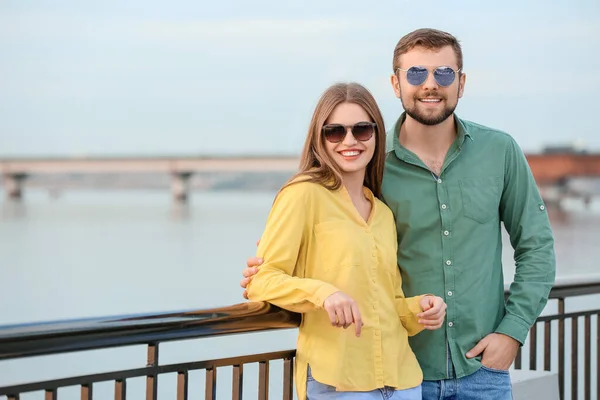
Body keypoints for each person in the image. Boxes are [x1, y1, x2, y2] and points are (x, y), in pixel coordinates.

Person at [241, 29, 556, 400]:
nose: (430, 85)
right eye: (416, 73)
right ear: (396, 83)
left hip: (481, 370)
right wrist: (290, 276)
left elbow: (537, 248)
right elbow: (321, 244)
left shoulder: (500, 152)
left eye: (444, 73)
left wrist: (512, 331)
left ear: (462, 82)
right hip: (402, 373)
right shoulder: (373, 169)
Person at [245, 82, 447, 400]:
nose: (349, 141)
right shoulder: (302, 194)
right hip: (339, 383)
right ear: (319, 138)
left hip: (403, 381)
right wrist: (325, 294)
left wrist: (421, 307)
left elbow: (387, 300)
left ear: (377, 135)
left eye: (362, 130)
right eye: (335, 131)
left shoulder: (382, 212)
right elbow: (263, 281)